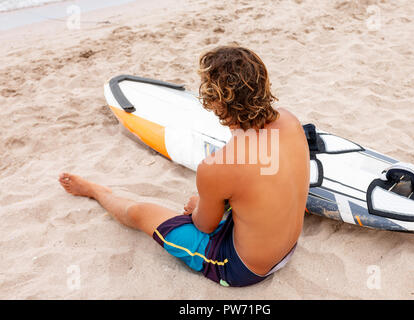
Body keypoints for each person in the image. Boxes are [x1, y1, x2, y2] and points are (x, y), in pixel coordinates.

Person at [59, 46, 310, 287]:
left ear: (215, 102)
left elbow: (204, 226)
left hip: (244, 268)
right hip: (287, 247)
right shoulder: (289, 121)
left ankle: (97, 192)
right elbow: (259, 178)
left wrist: (199, 207)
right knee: (217, 197)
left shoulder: (216, 167)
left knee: (140, 213)